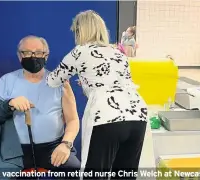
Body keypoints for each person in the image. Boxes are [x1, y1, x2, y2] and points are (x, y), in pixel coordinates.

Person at [46, 10, 147, 179]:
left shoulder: (80, 51)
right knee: (124, 174)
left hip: (107, 116)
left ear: (81, 31)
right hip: (137, 115)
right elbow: (114, 82)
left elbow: (53, 80)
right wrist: (87, 83)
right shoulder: (117, 53)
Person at [0, 35, 81, 177]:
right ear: (19, 56)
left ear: (46, 56)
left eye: (38, 52)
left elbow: (73, 120)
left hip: (53, 148)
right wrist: (9, 104)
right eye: (27, 52)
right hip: (14, 150)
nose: (33, 57)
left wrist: (66, 144)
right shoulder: (6, 81)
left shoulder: (60, 82)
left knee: (75, 171)